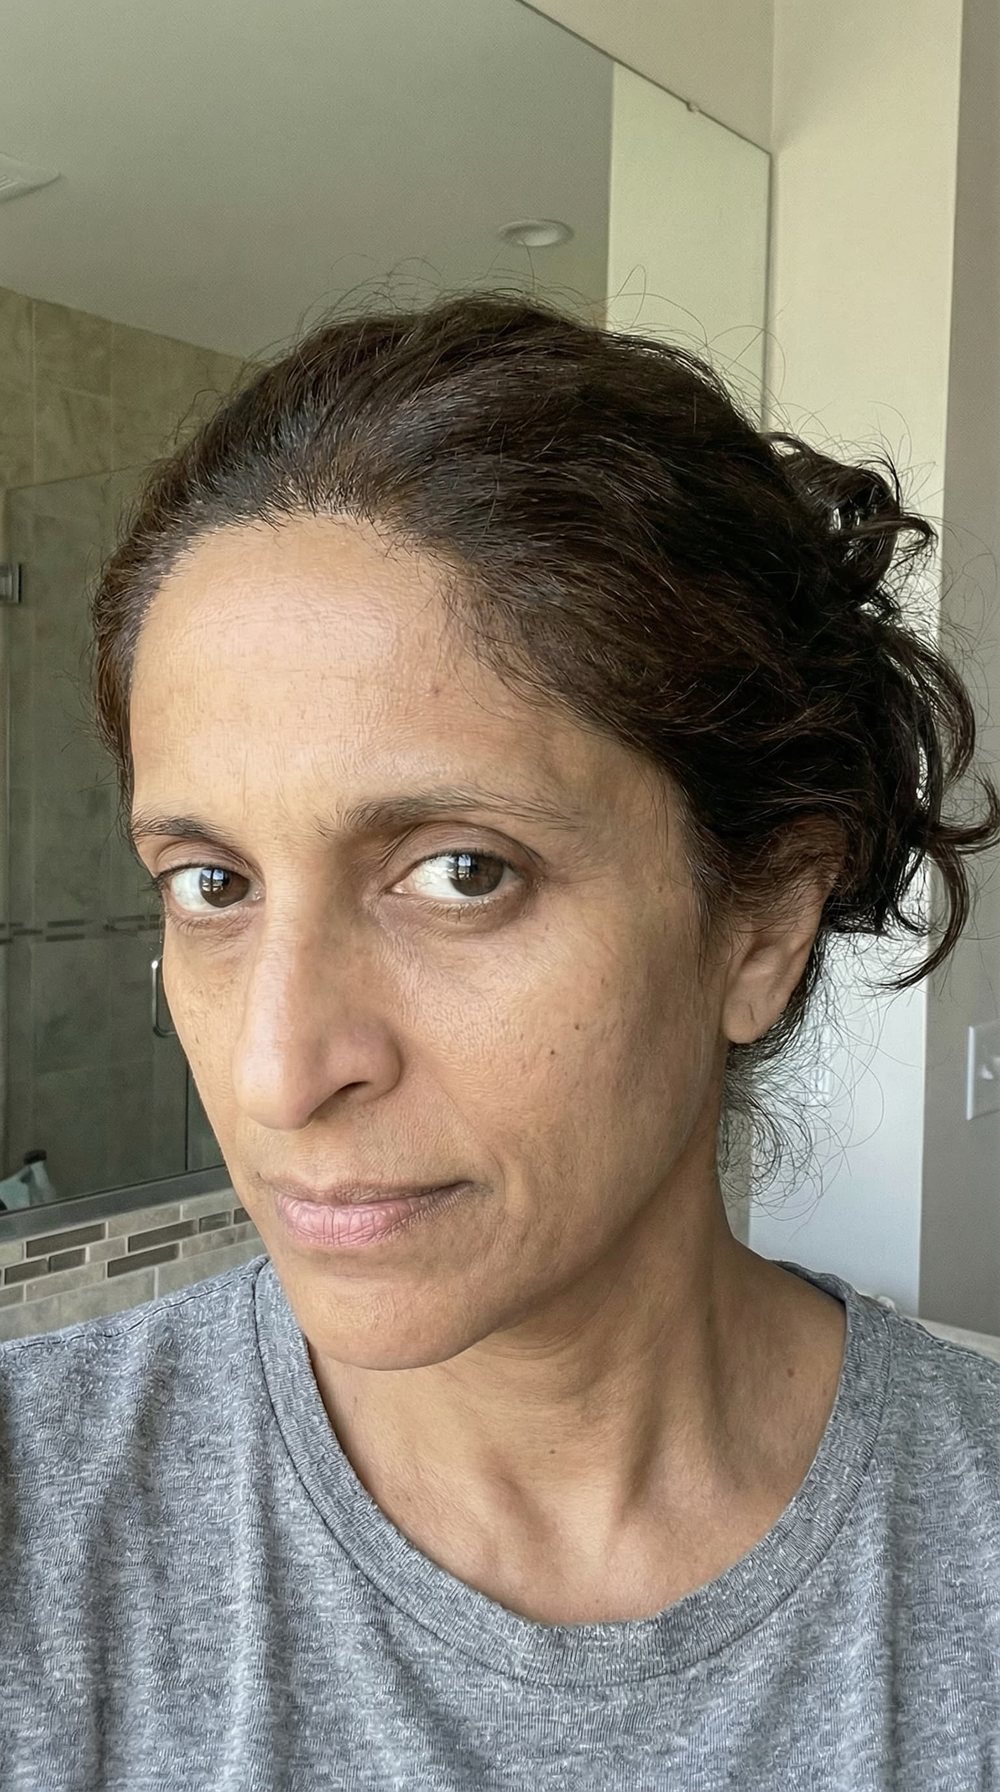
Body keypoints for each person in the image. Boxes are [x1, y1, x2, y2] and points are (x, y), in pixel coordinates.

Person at [2, 293, 999, 1789]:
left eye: (462, 872)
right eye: (212, 885)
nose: (278, 1074)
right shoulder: (39, 1522)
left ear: (762, 926)